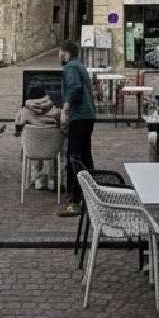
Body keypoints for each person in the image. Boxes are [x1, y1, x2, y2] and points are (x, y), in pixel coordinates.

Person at [57, 40, 95, 217]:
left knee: (74, 156)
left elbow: (75, 87)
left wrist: (66, 105)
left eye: (60, 53)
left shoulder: (70, 67)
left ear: (66, 53)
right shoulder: (79, 65)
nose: (58, 56)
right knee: (85, 155)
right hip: (88, 115)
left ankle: (75, 199)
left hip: (79, 116)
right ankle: (90, 193)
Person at [15, 85, 61, 190]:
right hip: (51, 149)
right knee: (54, 145)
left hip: (32, 149)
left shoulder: (24, 111)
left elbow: (18, 127)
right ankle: (51, 179)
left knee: (31, 142)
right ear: (44, 96)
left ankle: (36, 179)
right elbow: (62, 126)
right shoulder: (55, 111)